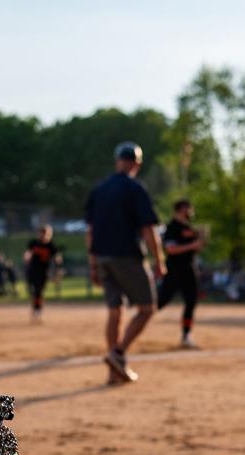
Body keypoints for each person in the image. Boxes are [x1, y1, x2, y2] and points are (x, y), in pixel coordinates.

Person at [85, 141, 165, 384]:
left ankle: (114, 373)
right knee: (147, 308)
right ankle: (117, 354)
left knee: (114, 311)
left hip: (102, 258)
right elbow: (148, 229)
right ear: (137, 163)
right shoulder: (134, 188)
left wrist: (92, 264)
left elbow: (90, 231)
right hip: (127, 256)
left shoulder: (99, 190)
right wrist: (159, 261)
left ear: (117, 160)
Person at [157, 199, 204, 348]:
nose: (190, 212)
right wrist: (192, 245)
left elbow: (195, 248)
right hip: (174, 269)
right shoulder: (172, 228)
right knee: (162, 300)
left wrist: (200, 241)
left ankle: (186, 335)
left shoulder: (189, 228)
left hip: (189, 268)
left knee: (191, 301)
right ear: (180, 210)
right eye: (188, 209)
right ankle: (139, 318)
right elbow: (170, 249)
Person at [24, 224, 62, 322]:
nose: (45, 235)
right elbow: (28, 253)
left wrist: (58, 268)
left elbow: (57, 257)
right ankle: (36, 310)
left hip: (43, 272)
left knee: (39, 292)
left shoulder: (51, 245)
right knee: (35, 291)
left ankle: (37, 310)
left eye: (48, 233)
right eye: (43, 233)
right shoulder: (34, 243)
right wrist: (27, 257)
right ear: (40, 233)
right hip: (32, 271)